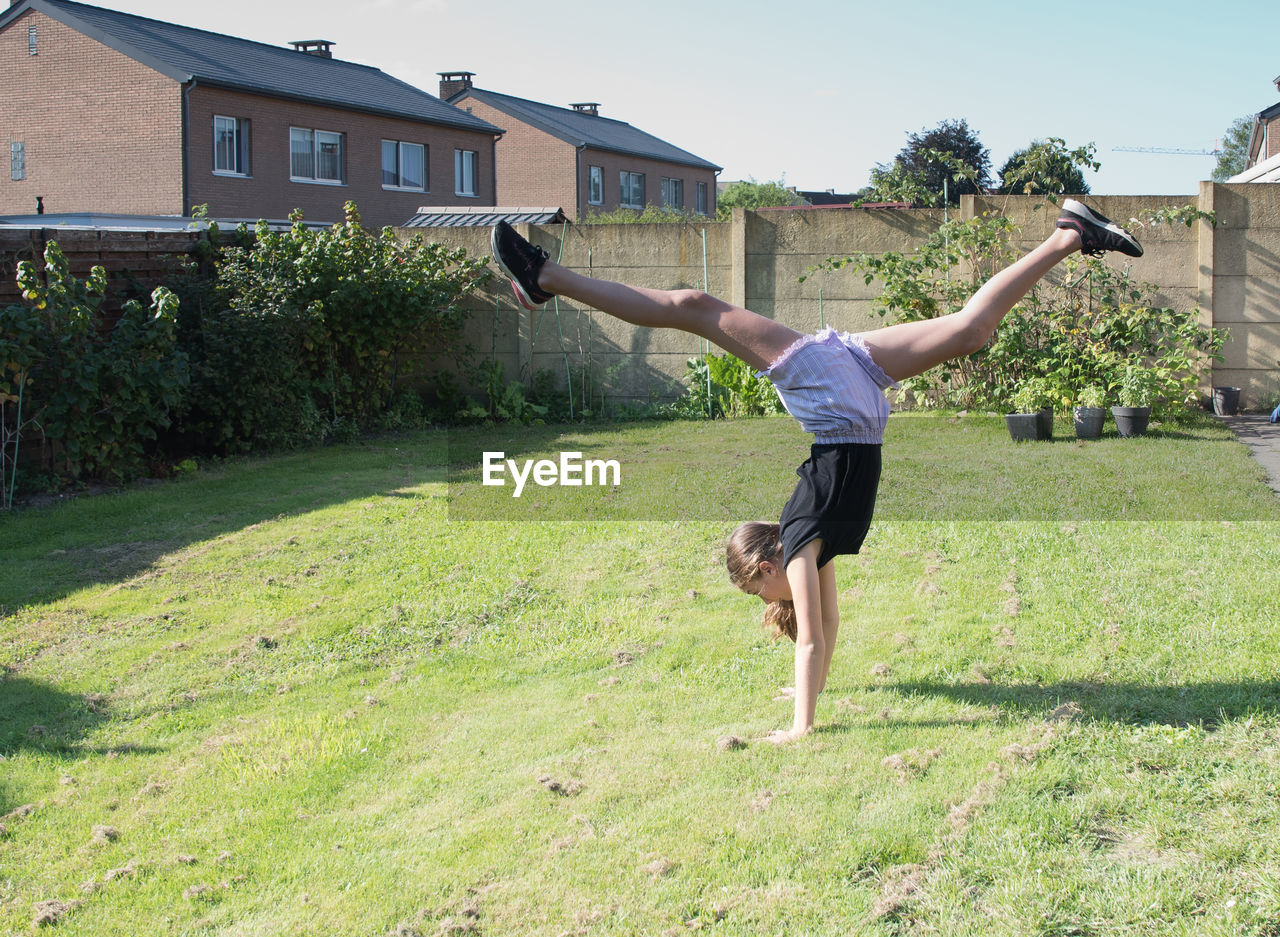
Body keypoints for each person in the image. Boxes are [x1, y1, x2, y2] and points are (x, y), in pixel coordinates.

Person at [490, 200, 1143, 744]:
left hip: (834, 402)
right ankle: (1068, 234)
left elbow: (810, 643)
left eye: (755, 593)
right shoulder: (810, 541)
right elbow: (823, 636)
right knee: (970, 329)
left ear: (765, 568)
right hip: (848, 388)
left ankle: (543, 275)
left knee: (692, 303)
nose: (764, 604)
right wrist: (810, 689)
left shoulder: (804, 538)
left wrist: (801, 725)